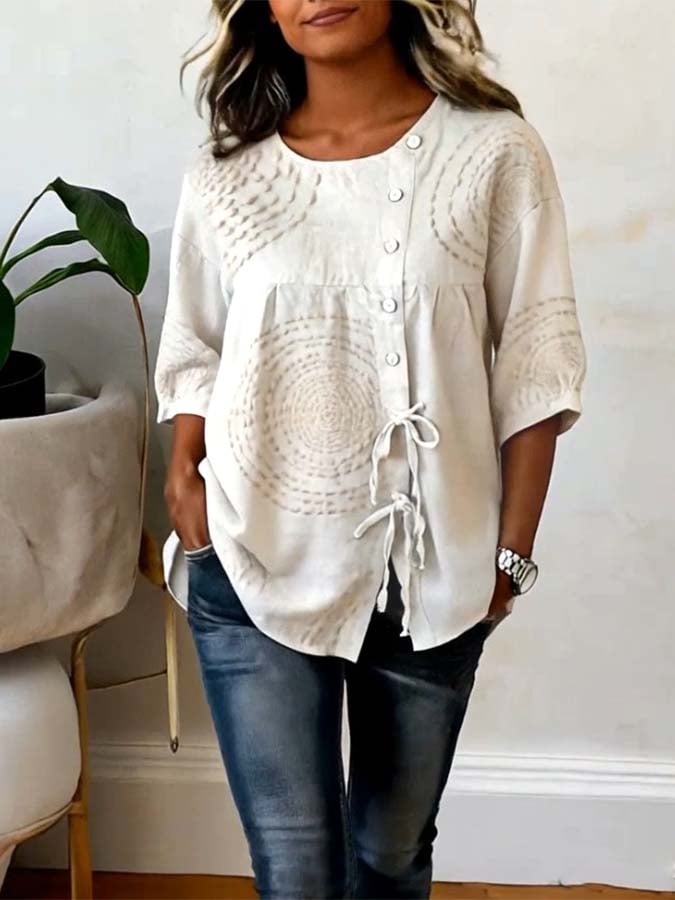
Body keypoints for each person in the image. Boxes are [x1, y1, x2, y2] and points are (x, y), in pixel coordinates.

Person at [153, 1, 588, 897]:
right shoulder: (226, 174)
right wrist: (186, 487)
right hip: (249, 556)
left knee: (391, 859)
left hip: (434, 570)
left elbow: (536, 363)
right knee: (294, 874)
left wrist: (509, 553)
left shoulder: (493, 152)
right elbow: (195, 347)